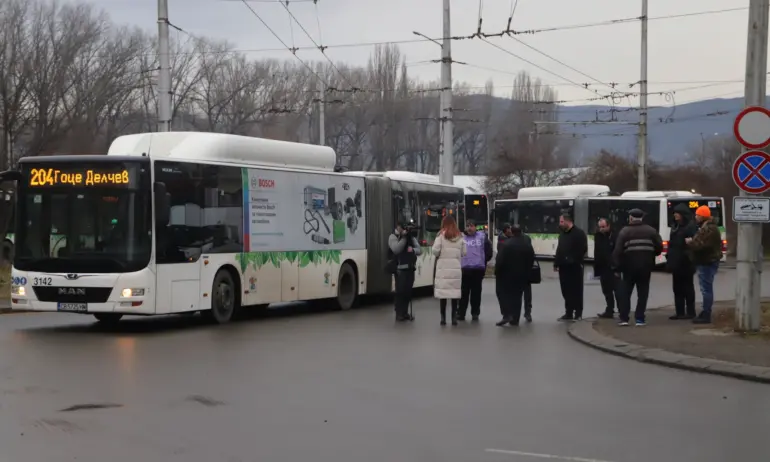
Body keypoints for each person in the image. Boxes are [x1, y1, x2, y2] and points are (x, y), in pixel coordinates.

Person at [612, 208, 663, 327]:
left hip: (628, 267)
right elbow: (659, 247)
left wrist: (616, 267)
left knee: (626, 293)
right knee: (643, 293)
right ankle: (640, 318)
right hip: (646, 267)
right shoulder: (651, 231)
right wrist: (651, 255)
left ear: (630, 218)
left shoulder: (625, 231)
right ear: (642, 218)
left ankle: (624, 318)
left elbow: (617, 251)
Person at [686, 205, 723, 325]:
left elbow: (701, 245)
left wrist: (690, 242)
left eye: (697, 215)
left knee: (706, 289)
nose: (695, 217)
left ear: (702, 216)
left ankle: (706, 313)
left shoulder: (709, 229)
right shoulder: (707, 227)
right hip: (706, 261)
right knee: (706, 288)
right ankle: (705, 311)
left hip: (707, 261)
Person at [494, 225, 535, 326]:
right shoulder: (527, 244)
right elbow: (531, 258)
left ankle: (507, 314)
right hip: (522, 275)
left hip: (507, 275)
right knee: (517, 296)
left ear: (512, 232)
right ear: (521, 232)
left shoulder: (507, 244)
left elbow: (500, 261)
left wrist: (497, 272)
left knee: (504, 294)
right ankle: (515, 319)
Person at [432, 216, 467, 326]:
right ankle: (454, 318)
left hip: (443, 269)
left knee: (443, 295)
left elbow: (435, 251)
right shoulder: (460, 236)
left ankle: (443, 318)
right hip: (455, 269)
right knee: (454, 294)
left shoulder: (440, 236)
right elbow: (464, 252)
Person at [554, 213, 588, 321]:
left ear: (568, 221)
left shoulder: (579, 233)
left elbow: (583, 249)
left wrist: (572, 259)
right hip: (563, 267)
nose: (560, 224)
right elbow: (559, 249)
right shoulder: (562, 234)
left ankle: (578, 313)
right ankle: (568, 312)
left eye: (561, 221)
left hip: (575, 267)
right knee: (566, 290)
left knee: (576, 290)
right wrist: (556, 263)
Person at [667, 204, 698, 320]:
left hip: (686, 262)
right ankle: (679, 312)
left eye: (677, 213)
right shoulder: (675, 226)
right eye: (674, 213)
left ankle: (690, 312)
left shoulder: (690, 227)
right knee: (677, 288)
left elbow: (693, 243)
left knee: (688, 288)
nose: (675, 215)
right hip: (676, 262)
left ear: (683, 214)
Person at [458, 219, 493, 322]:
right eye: (467, 226)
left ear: (476, 227)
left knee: (476, 293)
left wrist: (482, 261)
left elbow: (489, 252)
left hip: (478, 269)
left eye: (471, 226)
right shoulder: (461, 237)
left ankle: (475, 313)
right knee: (464, 293)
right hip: (465, 269)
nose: (469, 228)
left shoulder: (482, 237)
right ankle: (461, 313)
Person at [388, 221, 421, 322]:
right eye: (401, 228)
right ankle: (399, 313)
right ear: (398, 227)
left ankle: (405, 312)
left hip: (410, 268)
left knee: (408, 291)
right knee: (400, 292)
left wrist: (413, 250)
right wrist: (404, 238)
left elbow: (419, 250)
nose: (403, 229)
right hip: (399, 269)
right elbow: (396, 249)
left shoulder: (410, 237)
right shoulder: (393, 237)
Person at [594, 218, 619, 319]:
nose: (601, 229)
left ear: (608, 226)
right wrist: (597, 269)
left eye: (603, 227)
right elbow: (597, 252)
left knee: (617, 291)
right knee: (606, 291)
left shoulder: (615, 235)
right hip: (603, 267)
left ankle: (622, 311)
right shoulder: (598, 236)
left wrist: (616, 266)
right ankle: (609, 310)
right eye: (600, 227)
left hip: (613, 268)